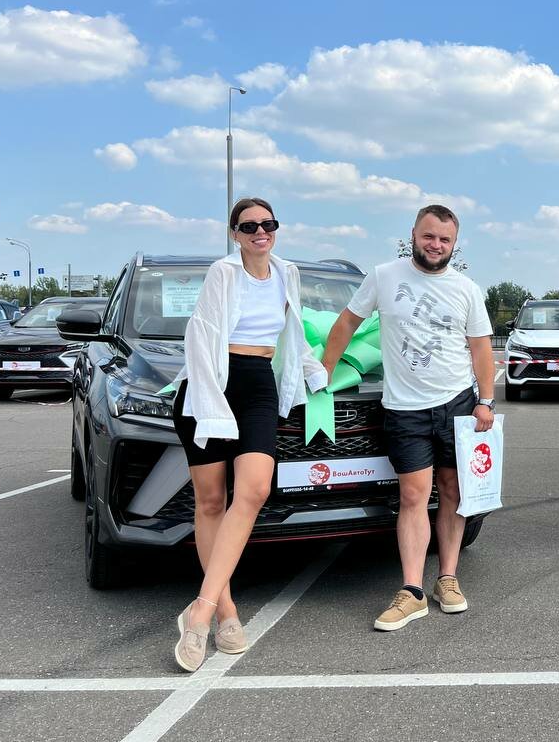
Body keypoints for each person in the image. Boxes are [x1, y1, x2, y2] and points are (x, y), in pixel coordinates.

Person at [168, 198, 328, 671]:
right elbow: (201, 339)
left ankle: (199, 611)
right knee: (211, 502)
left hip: (258, 383)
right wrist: (213, 409)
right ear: (234, 233)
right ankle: (226, 611)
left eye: (268, 224)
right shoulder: (223, 272)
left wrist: (314, 372)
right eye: (249, 226)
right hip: (211, 386)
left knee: (254, 490)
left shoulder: (286, 273)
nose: (261, 232)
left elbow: (292, 334)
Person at [321, 205, 495, 631]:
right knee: (414, 496)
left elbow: (481, 349)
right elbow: (347, 323)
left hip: (457, 404)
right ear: (413, 235)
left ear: (454, 244)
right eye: (428, 236)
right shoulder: (384, 276)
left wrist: (486, 401)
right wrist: (324, 371)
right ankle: (412, 591)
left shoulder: (467, 289)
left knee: (452, 491)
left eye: (444, 239)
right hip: (404, 408)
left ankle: (447, 579)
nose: (435, 245)